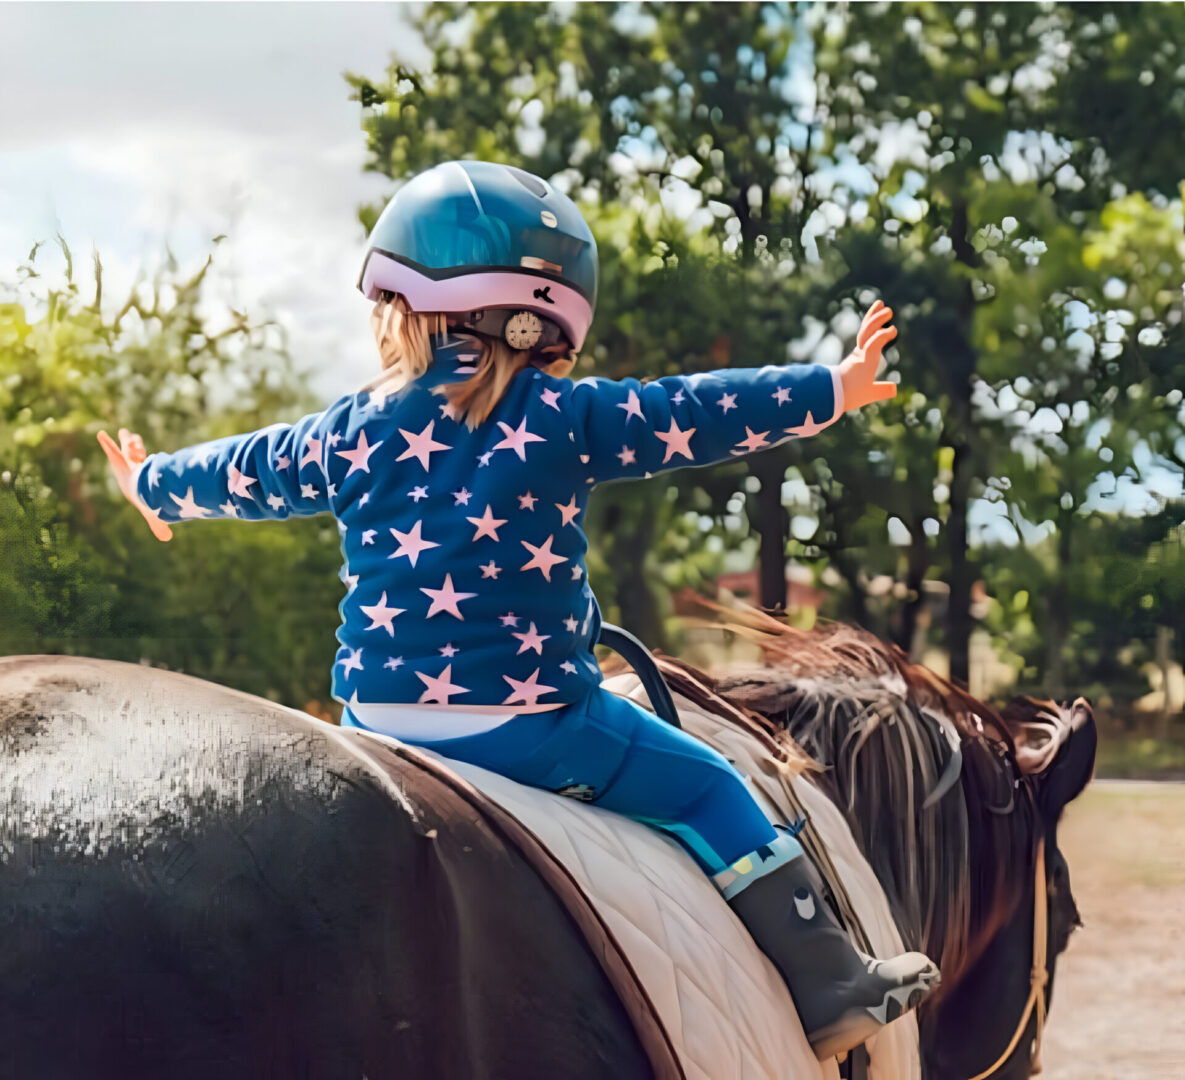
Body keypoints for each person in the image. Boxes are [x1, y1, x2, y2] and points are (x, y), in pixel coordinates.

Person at [98, 160, 938, 1059]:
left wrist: (154, 485)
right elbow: (695, 409)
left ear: (398, 308)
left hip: (377, 724)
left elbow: (250, 469)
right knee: (708, 785)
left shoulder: (347, 427)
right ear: (548, 323)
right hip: (531, 724)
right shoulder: (564, 416)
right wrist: (832, 390)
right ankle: (828, 983)